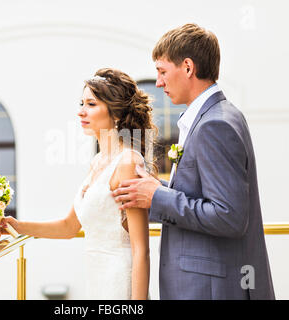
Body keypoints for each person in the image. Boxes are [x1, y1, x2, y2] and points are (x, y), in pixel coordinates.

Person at [112, 23, 275, 299]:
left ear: (188, 67)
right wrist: (158, 188)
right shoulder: (217, 116)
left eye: (162, 71)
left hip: (210, 289)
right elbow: (204, 194)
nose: (159, 82)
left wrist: (158, 196)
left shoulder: (216, 125)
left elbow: (229, 216)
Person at [0, 68, 158, 300]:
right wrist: (17, 227)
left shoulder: (128, 162)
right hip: (97, 281)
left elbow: (141, 249)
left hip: (120, 282)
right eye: (81, 103)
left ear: (116, 113)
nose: (81, 112)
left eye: (91, 104)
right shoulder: (97, 162)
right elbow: (69, 227)